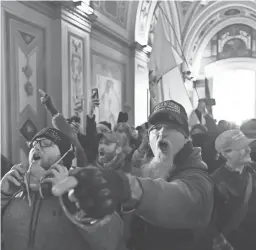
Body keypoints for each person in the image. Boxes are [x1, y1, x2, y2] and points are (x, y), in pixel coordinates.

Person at [52, 100, 215, 250]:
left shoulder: (198, 177)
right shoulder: (144, 169)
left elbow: (177, 197)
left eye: (172, 127)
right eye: (156, 128)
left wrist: (127, 187)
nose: (162, 133)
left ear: (187, 138)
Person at [1, 127, 123, 250]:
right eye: (34, 144)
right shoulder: (15, 191)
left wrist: (71, 197)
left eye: (46, 143)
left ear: (64, 156)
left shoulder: (85, 188)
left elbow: (111, 239)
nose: (36, 148)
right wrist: (2, 196)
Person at [211, 129, 256, 250]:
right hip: (238, 244)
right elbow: (210, 225)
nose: (248, 150)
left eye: (247, 146)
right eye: (242, 147)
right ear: (226, 154)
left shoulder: (253, 170)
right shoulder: (216, 182)